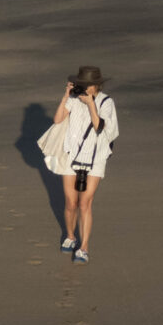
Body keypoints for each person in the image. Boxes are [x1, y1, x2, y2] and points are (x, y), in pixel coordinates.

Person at [48, 65, 119, 264]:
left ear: (96, 85)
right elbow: (58, 119)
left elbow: (101, 127)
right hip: (71, 156)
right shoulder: (74, 98)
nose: (84, 88)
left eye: (87, 85)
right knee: (71, 203)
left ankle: (84, 247)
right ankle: (70, 236)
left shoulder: (106, 102)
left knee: (85, 203)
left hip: (95, 159)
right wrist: (66, 95)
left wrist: (90, 105)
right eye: (81, 84)